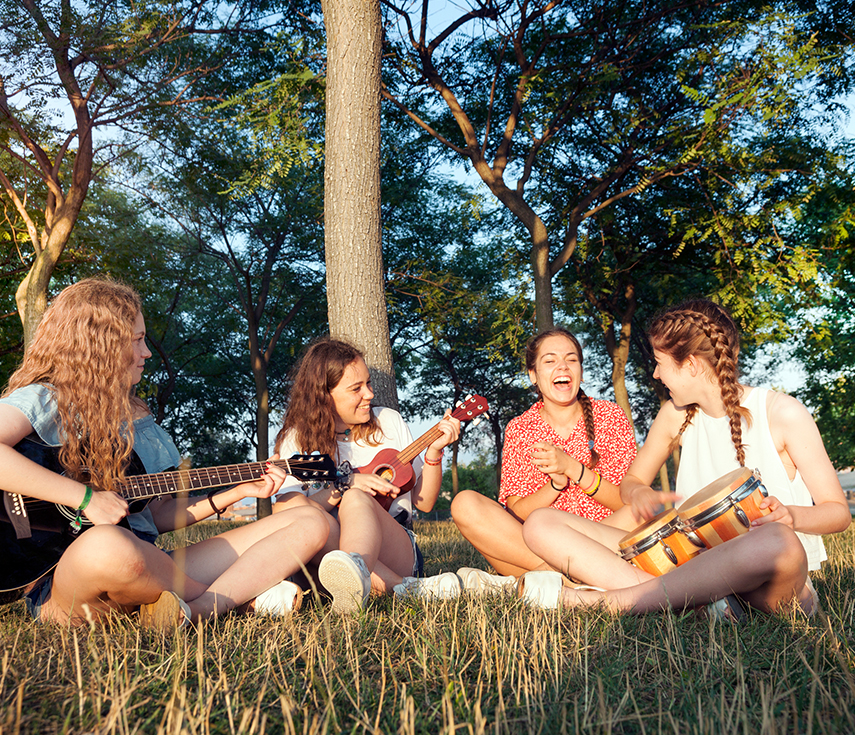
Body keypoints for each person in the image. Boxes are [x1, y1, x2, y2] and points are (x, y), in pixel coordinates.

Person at [0, 278, 329, 628]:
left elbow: (157, 516)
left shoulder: (140, 422)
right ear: (101, 344)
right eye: (138, 340)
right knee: (110, 546)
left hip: (152, 565)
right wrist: (83, 498)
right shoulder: (46, 399)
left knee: (310, 520)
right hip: (72, 582)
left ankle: (190, 609)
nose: (146, 353)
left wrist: (240, 490)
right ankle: (231, 600)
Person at [520, 299, 850, 616]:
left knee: (778, 541)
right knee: (541, 524)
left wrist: (791, 516)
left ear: (690, 365)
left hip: (768, 580)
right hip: (688, 559)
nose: (656, 375)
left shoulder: (782, 413)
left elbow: (837, 514)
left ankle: (605, 601)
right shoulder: (675, 414)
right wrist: (638, 493)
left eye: (660, 364)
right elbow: (632, 482)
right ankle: (697, 604)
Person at [272, 338, 463, 612]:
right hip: (323, 557)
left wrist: (433, 453)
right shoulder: (296, 440)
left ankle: (357, 577)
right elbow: (288, 515)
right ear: (324, 395)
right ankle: (400, 588)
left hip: (394, 546)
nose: (370, 394)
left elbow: (425, 503)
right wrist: (345, 484)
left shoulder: (388, 421)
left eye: (369, 383)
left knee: (356, 500)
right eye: (356, 388)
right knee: (310, 513)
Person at [450, 328, 638, 593]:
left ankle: (538, 581)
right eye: (549, 361)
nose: (562, 366)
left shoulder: (610, 416)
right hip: (540, 545)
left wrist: (572, 468)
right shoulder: (520, 428)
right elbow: (516, 513)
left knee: (641, 511)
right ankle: (572, 577)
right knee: (465, 503)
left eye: (571, 359)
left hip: (604, 536)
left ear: (581, 370)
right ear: (533, 375)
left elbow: (626, 501)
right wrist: (555, 486)